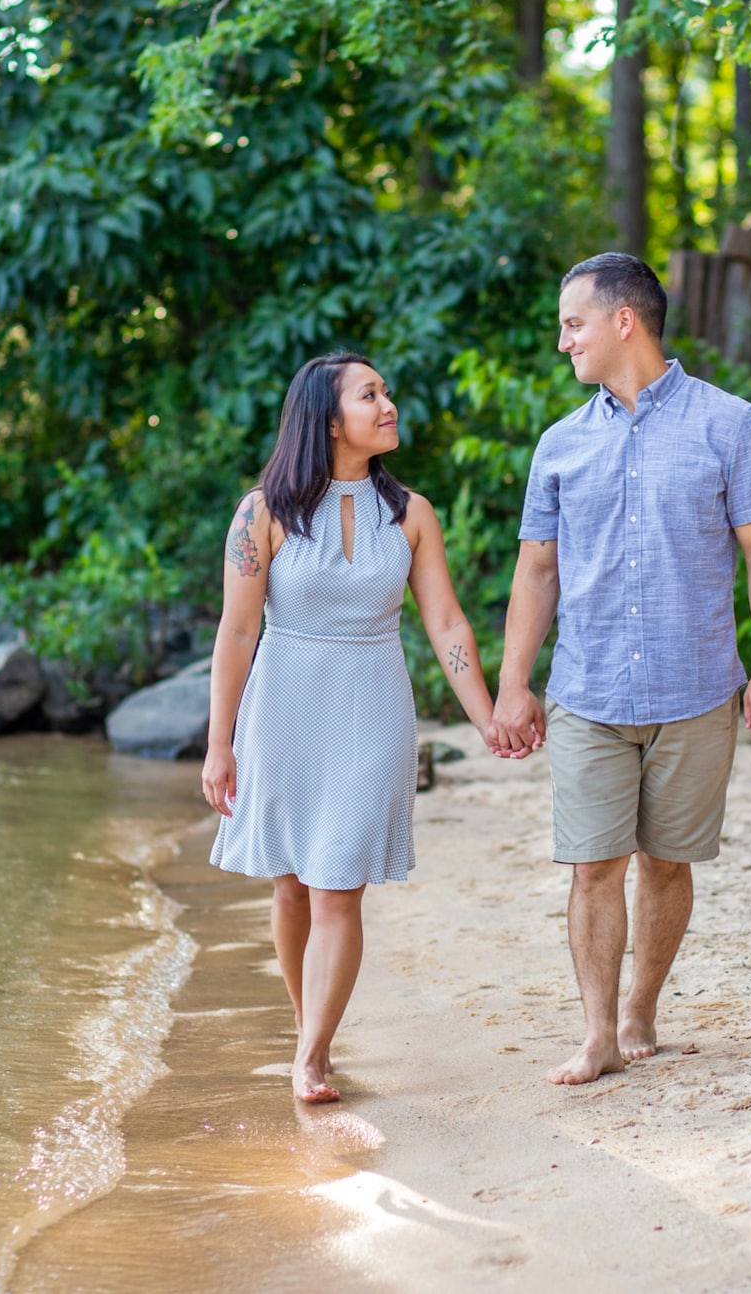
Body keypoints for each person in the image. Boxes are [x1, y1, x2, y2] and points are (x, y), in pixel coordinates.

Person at [491, 252, 751, 1086]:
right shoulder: (558, 445)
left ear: (624, 320)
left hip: (697, 689)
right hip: (588, 690)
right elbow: (536, 570)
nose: (563, 342)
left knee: (666, 862)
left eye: (572, 323)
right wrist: (513, 683)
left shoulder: (729, 423)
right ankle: (595, 1032)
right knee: (594, 865)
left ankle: (640, 1010)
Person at [202, 350, 502, 1104]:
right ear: (329, 419)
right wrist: (219, 742)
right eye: (370, 395)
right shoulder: (261, 512)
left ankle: (309, 1055)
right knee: (293, 886)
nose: (388, 404)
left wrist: (488, 717)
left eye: (386, 392)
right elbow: (237, 635)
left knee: (338, 885)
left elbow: (446, 624)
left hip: (371, 705)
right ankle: (315, 1032)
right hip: (283, 707)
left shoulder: (411, 514)